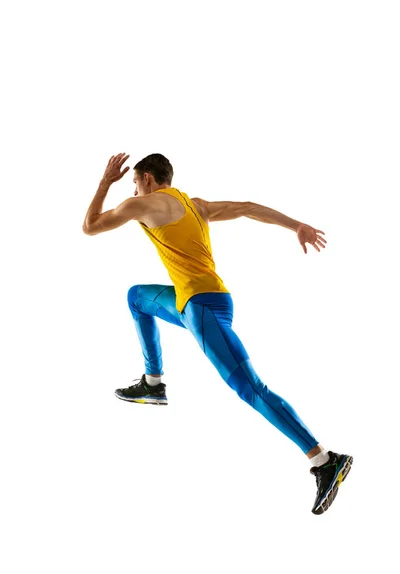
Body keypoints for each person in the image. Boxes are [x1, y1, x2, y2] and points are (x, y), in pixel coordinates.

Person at [83, 152, 353, 515]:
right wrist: (296, 225)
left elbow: (91, 225)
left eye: (134, 181)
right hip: (205, 301)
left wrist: (104, 182)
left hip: (202, 310)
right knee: (137, 297)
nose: (132, 188)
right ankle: (153, 382)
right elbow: (246, 207)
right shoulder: (195, 205)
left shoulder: (141, 203)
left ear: (146, 177)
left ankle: (324, 460)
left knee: (251, 389)